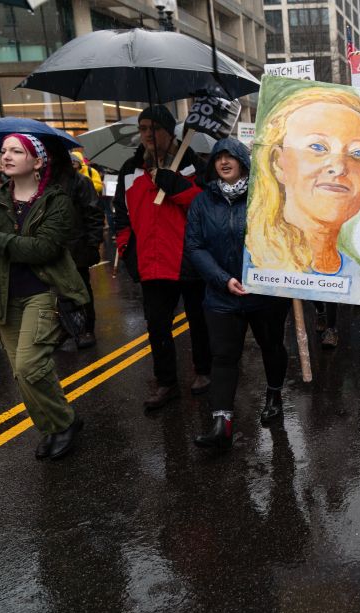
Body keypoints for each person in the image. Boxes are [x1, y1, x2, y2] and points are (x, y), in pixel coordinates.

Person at [0, 134, 89, 460]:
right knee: (24, 374)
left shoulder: (56, 201)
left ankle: (65, 422)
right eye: (3, 150)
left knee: (29, 365)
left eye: (16, 151)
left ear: (37, 162)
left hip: (44, 293)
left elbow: (44, 249)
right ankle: (51, 427)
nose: (6, 156)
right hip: (3, 296)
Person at [185, 138, 290, 450]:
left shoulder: (266, 195)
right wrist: (222, 279)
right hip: (221, 295)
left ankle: (274, 393)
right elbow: (195, 246)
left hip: (265, 294)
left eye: (231, 156)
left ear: (244, 161)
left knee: (271, 346)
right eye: (219, 157)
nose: (224, 161)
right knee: (223, 357)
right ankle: (222, 423)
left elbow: (284, 234)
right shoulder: (202, 203)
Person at [245, 84, 360, 305]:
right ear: (277, 163)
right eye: (318, 147)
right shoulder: (256, 265)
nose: (338, 167)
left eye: (358, 153)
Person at [114, 105, 211, 410]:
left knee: (199, 322)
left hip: (189, 259)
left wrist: (178, 187)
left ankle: (204, 372)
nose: (147, 135)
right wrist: (128, 252)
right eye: (142, 129)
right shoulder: (130, 170)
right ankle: (166, 382)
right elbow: (121, 216)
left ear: (170, 133)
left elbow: (207, 209)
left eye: (154, 128)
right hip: (151, 262)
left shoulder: (193, 166)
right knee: (157, 327)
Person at [42, 139, 104, 348]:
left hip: (77, 247)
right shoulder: (44, 182)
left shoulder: (79, 182)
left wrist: (92, 245)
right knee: (58, 292)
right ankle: (67, 328)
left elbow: (93, 213)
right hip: (53, 246)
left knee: (81, 290)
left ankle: (87, 329)